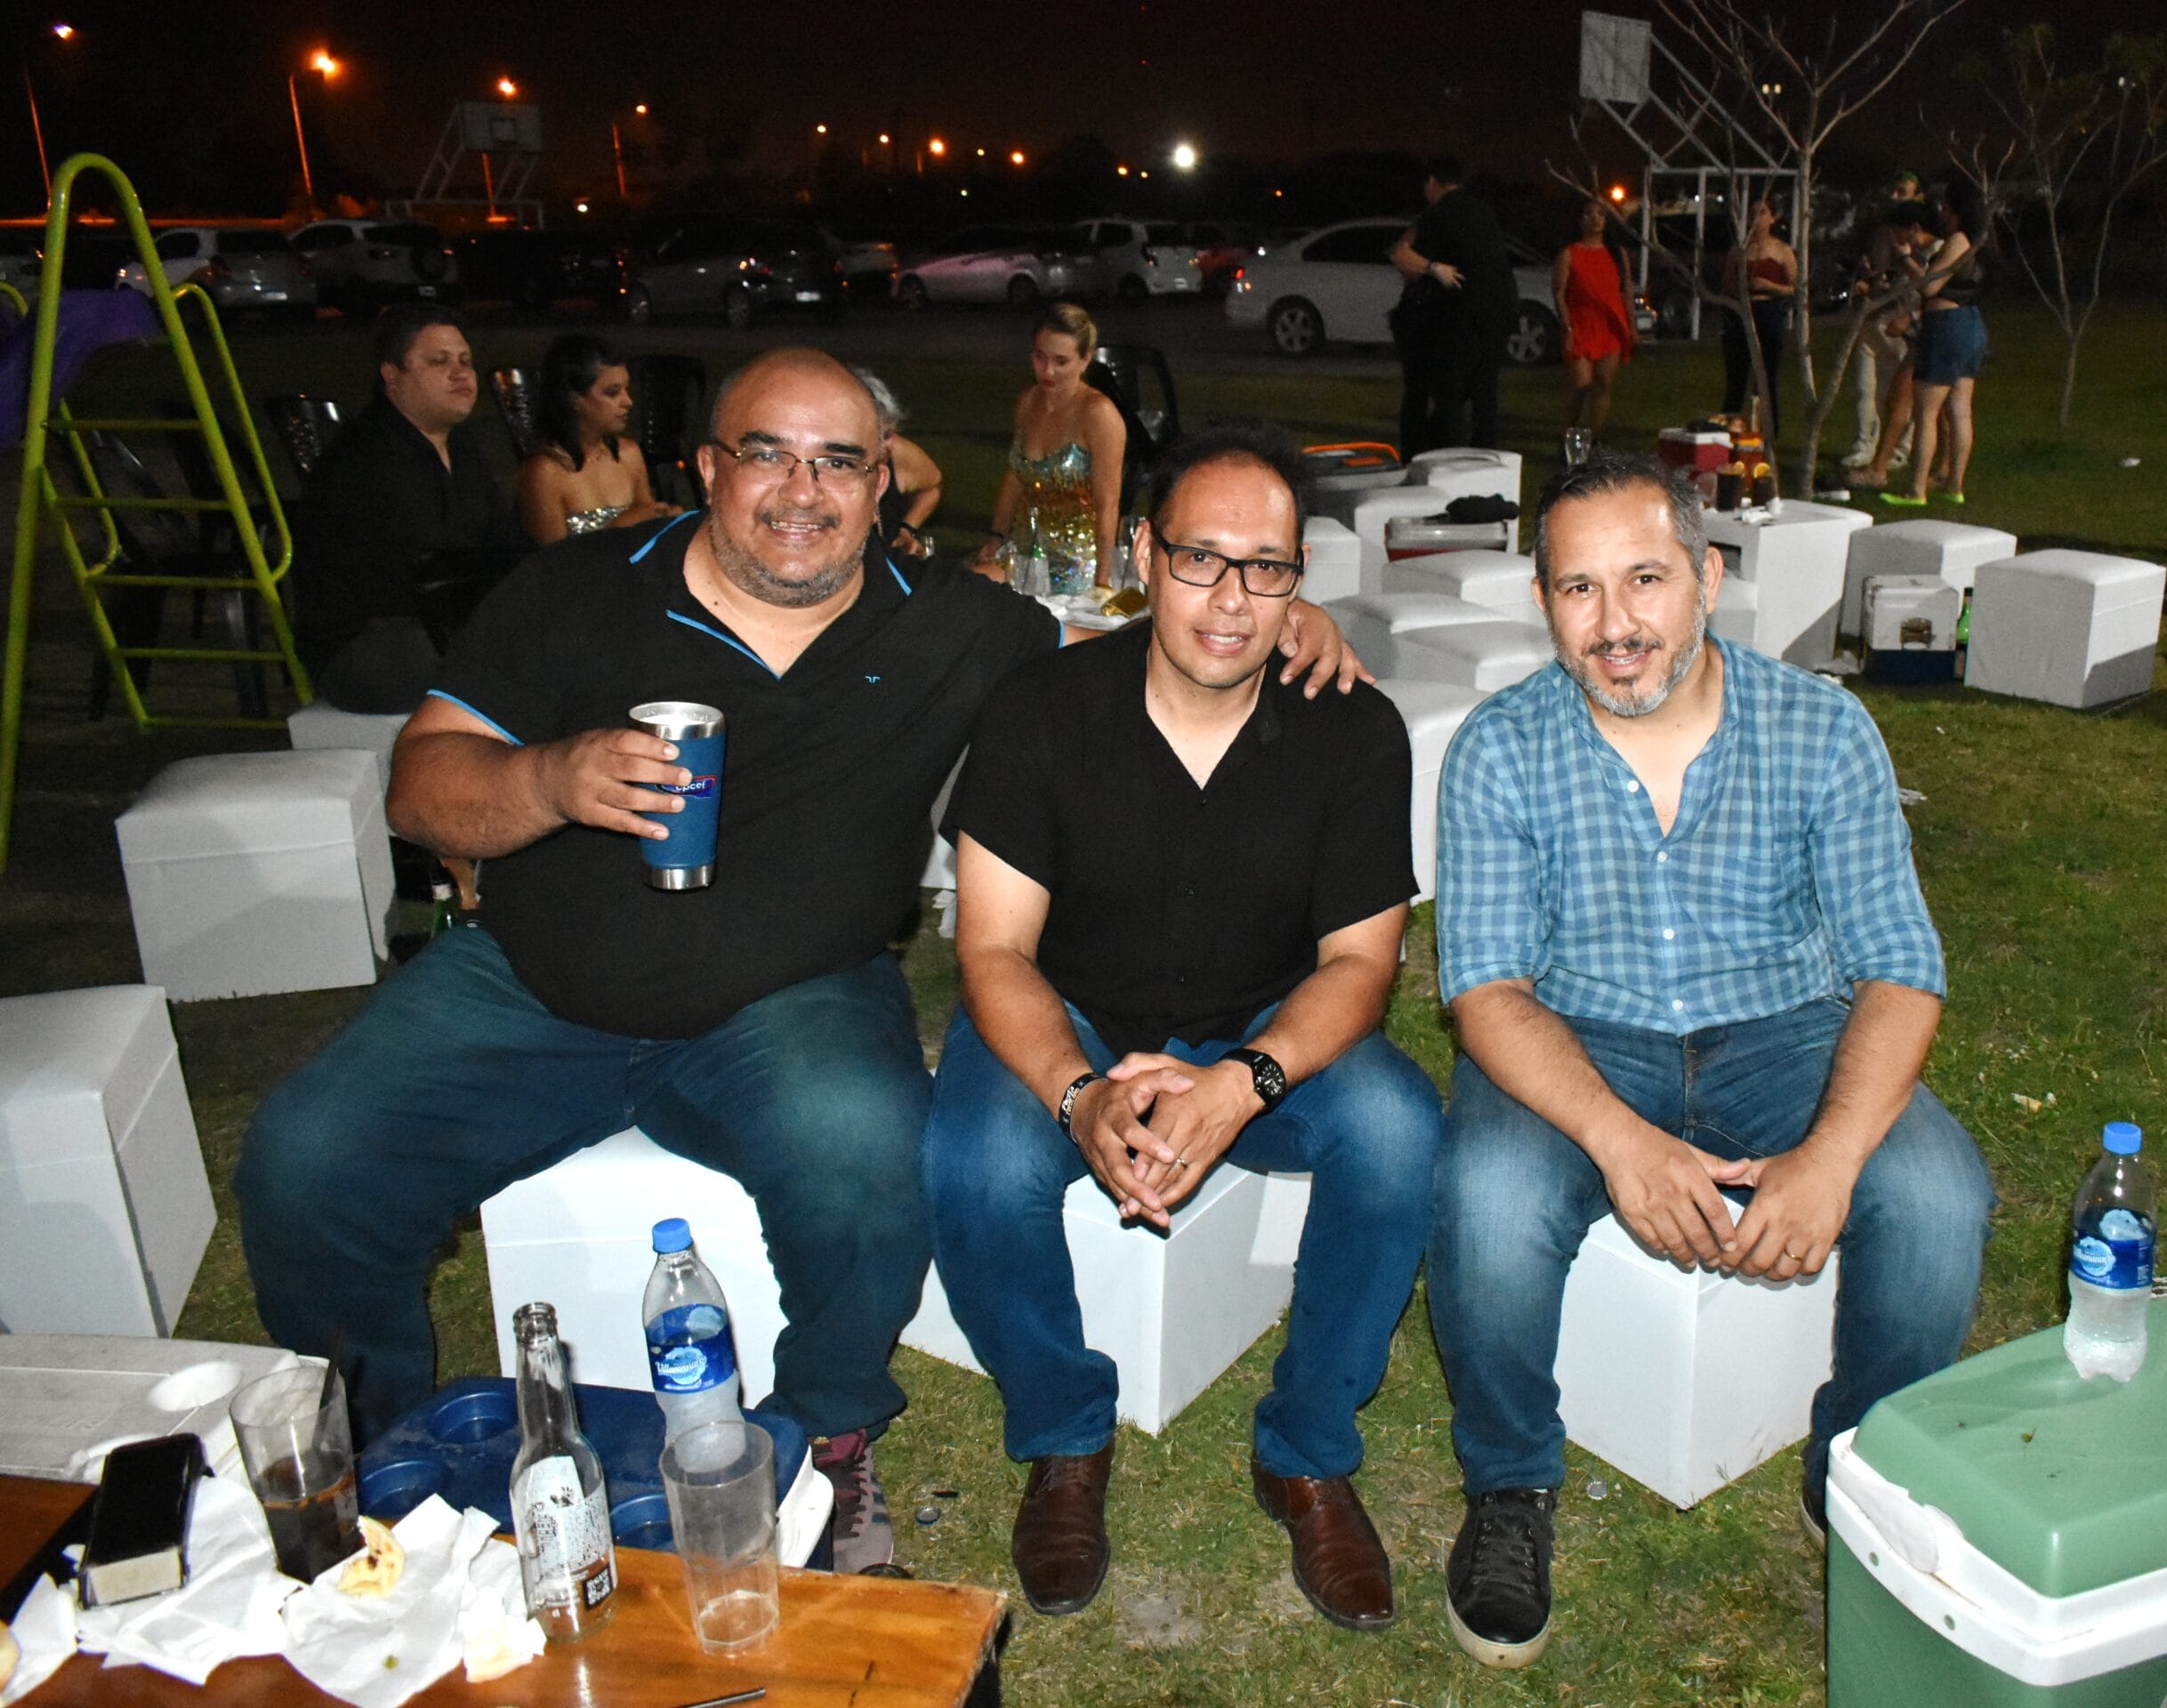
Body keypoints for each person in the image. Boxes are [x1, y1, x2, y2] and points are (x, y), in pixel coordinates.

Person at [233, 349, 1362, 1574]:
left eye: (837, 461)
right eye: (766, 452)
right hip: (533, 985)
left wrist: (1278, 617)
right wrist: (549, 778)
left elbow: (1148, 646)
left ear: (883, 485)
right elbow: (421, 783)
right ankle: (384, 1454)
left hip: (793, 998)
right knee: (308, 1156)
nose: (801, 489)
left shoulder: (956, 624)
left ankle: (829, 1431)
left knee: (871, 1153)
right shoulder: (577, 590)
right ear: (706, 468)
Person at [1427, 452, 1993, 1670]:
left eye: (1645, 579)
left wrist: (1830, 1158)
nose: (1614, 624)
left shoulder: (1821, 727)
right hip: (1577, 1031)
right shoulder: (1499, 748)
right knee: (1488, 1197)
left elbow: (1899, 967)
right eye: (1578, 589)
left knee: (1936, 1196)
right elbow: (1486, 991)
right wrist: (1620, 1143)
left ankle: (1856, 1465)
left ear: (1708, 579)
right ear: (1543, 602)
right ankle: (1510, 1487)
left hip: (1784, 1033)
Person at [922, 423, 1440, 1631]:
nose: (1232, 598)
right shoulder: (1042, 710)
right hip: (1073, 1010)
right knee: (975, 1155)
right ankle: (1063, 1432)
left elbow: (1361, 963)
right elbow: (992, 950)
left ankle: (1307, 1448)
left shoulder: (1353, 730)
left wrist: (1244, 1083)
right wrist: (1077, 1094)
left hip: (1262, 1021)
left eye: (1267, 568)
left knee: (1398, 1130)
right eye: (1202, 559)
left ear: (1299, 579)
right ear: (1146, 555)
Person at [292, 306, 527, 713]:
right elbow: (420, 570)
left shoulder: (463, 449)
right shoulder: (367, 456)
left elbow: (502, 540)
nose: (460, 374)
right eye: (438, 361)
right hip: (367, 643)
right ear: (391, 375)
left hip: (438, 623)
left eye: (465, 361)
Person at [976, 303, 1124, 590]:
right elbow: (1015, 478)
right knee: (968, 587)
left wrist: (1103, 580)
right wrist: (996, 537)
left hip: (1076, 560)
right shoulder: (1028, 402)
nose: (1048, 371)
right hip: (1025, 550)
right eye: (1040, 357)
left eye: (1061, 361)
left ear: (1085, 360)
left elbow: (1108, 504)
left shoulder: (1098, 414)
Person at [1391, 157, 1519, 458]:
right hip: (1498, 312)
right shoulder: (1483, 211)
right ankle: (1487, 461)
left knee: (1449, 395)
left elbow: (1402, 257)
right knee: (1485, 395)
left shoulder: (1439, 213)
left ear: (1431, 183)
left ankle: (1450, 460)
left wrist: (1432, 267)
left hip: (1460, 317)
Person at [515, 334, 681, 544]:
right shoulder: (546, 471)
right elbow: (551, 559)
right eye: (612, 393)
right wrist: (618, 527)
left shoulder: (627, 455)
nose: (628, 401)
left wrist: (665, 520)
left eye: (626, 390)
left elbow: (647, 530)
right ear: (574, 399)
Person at [1884, 181, 1986, 508]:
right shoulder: (1980, 241)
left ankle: (1916, 490)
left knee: (1926, 413)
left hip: (1946, 326)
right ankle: (1954, 485)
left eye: (1946, 207)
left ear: (1957, 210)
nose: (1941, 212)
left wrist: (1905, 258)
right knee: (1960, 410)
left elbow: (1931, 286)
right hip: (1970, 325)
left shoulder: (1958, 240)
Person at [1843, 175, 1927, 471]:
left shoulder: (1925, 239)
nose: (1895, 196)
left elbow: (1930, 285)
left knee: (1899, 394)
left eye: (1902, 192)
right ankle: (1864, 444)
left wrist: (1912, 315)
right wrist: (1867, 282)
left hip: (1901, 324)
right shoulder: (1883, 232)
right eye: (1893, 190)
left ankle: (1899, 449)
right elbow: (1875, 271)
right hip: (1873, 318)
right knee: (1866, 388)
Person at [1554, 199, 1637, 437]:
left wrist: (1632, 326)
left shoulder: (1617, 254)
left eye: (1601, 214)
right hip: (1581, 324)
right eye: (1588, 214)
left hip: (1610, 325)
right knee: (1581, 384)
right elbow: (1559, 293)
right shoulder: (1569, 254)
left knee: (1603, 384)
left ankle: (1592, 438)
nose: (1595, 219)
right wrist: (1567, 328)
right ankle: (1568, 435)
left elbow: (1626, 290)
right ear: (1580, 220)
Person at [1720, 197, 1797, 439]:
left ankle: (1769, 431)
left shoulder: (1782, 250)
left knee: (1766, 377)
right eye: (1753, 213)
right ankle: (1729, 428)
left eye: (1762, 212)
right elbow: (1726, 286)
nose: (1757, 218)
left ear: (1772, 218)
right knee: (1737, 377)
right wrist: (1742, 288)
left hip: (1770, 313)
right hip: (1742, 314)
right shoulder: (1738, 251)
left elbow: (1795, 288)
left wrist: (1770, 286)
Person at [853, 368, 944, 559]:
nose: (888, 446)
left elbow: (932, 487)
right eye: (879, 436)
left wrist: (906, 529)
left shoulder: (898, 455)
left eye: (889, 435)